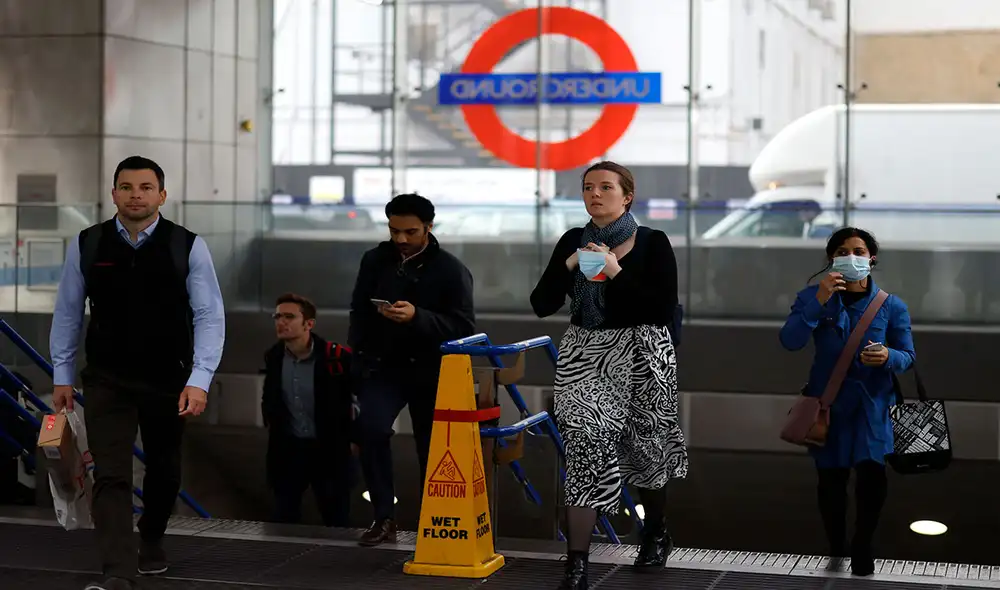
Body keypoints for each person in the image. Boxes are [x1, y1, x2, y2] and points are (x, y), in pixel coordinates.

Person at [49, 156, 225, 590]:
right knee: (110, 474)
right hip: (107, 378)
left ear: (161, 195)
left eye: (145, 187)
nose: (135, 195)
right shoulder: (87, 244)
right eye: (126, 187)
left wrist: (199, 380)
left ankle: (151, 537)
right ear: (113, 194)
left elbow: (210, 316)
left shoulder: (187, 245)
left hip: (171, 378)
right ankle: (118, 572)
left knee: (165, 470)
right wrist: (62, 374)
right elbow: (68, 312)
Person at [530, 161, 689, 589]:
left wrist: (614, 271)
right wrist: (569, 264)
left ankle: (655, 531)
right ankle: (577, 559)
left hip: (642, 351)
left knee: (645, 451)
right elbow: (542, 304)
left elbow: (657, 309)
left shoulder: (653, 243)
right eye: (587, 188)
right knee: (583, 446)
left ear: (627, 195)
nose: (595, 194)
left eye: (605, 187)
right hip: (585, 351)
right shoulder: (573, 240)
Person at [779, 227, 915, 577]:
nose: (851, 256)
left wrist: (887, 356)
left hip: (873, 405)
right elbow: (790, 340)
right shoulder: (814, 297)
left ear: (871, 258)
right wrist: (818, 302)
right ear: (831, 259)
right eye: (842, 250)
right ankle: (837, 543)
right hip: (829, 405)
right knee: (831, 479)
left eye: (858, 250)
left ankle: (863, 544)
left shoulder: (891, 305)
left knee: (872, 475)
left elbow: (908, 355)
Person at [348, 193, 475, 547]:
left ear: (429, 228)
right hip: (383, 366)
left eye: (410, 231)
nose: (401, 239)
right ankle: (383, 517)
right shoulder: (375, 261)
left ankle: (433, 524)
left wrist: (418, 317)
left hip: (432, 371)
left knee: (432, 450)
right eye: (394, 231)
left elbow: (465, 328)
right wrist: (358, 361)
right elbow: (358, 311)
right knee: (370, 429)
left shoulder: (450, 269)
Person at [262, 293, 355, 527]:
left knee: (335, 518)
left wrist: (355, 439)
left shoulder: (335, 358)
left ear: (309, 324)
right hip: (288, 450)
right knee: (284, 516)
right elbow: (272, 398)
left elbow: (356, 400)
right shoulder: (273, 357)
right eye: (277, 316)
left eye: (289, 317)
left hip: (329, 451)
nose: (281, 322)